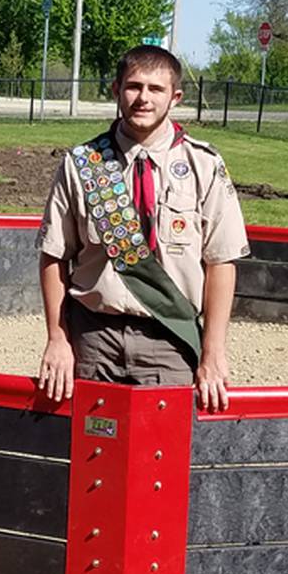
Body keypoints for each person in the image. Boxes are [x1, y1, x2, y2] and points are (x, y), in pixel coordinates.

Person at [36, 44, 250, 412]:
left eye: (156, 89)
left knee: (164, 452)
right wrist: (57, 338)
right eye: (134, 86)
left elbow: (221, 262)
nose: (143, 98)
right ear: (116, 89)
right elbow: (54, 255)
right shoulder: (82, 164)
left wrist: (214, 352)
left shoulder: (204, 165)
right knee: (90, 447)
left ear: (175, 97)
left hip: (170, 337)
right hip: (93, 336)